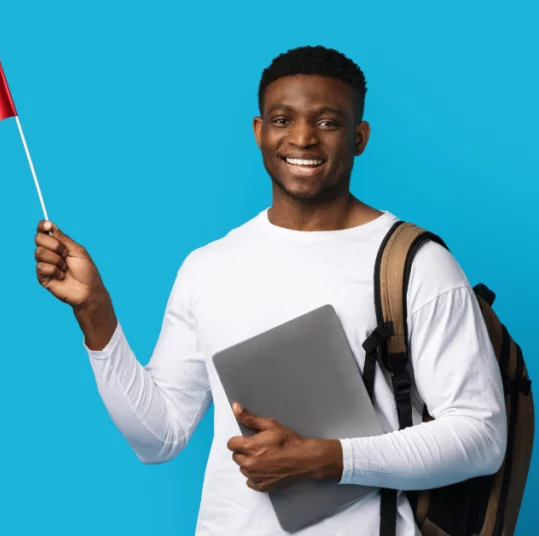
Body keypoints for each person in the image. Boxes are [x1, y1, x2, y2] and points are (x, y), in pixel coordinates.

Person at [33, 45, 507, 536]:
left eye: (327, 122)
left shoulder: (415, 263)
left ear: (359, 137)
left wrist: (328, 459)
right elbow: (160, 437)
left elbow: (482, 435)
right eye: (283, 120)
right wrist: (95, 311)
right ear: (259, 131)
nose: (302, 138)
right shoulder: (208, 267)